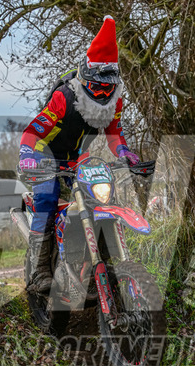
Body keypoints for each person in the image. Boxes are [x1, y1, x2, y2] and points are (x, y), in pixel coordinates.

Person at [19, 16, 140, 292]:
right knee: (47, 196)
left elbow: (114, 133)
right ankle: (39, 271)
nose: (103, 91)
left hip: (76, 158)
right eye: (98, 85)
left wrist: (124, 152)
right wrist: (27, 153)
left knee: (99, 196)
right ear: (85, 76)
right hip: (45, 154)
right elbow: (32, 132)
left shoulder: (115, 100)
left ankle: (99, 262)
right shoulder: (65, 96)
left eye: (108, 86)